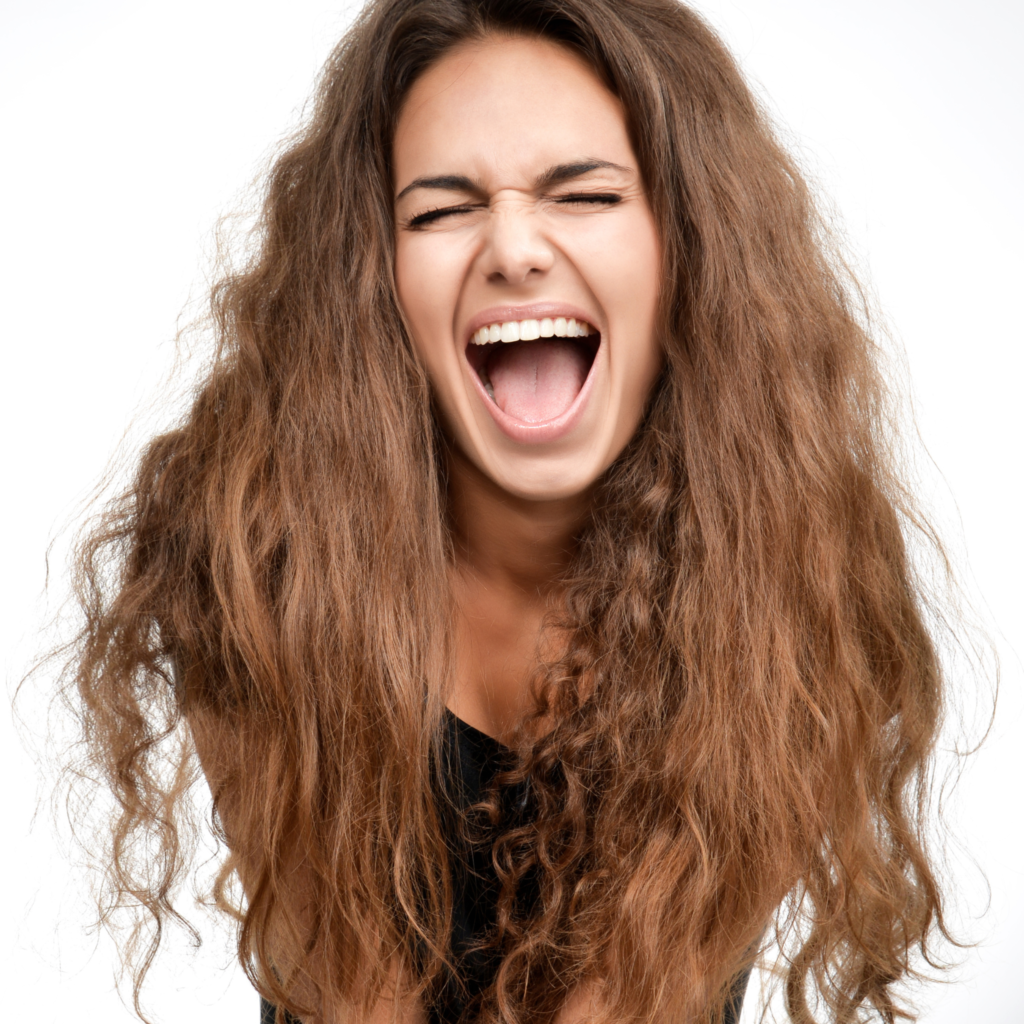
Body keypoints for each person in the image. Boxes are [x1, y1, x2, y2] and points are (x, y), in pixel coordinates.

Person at [65, 0, 953, 1021]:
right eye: (441, 211)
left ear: (688, 247)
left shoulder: (799, 573)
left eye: (583, 194)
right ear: (369, 278)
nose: (515, 247)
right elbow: (349, 996)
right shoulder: (248, 548)